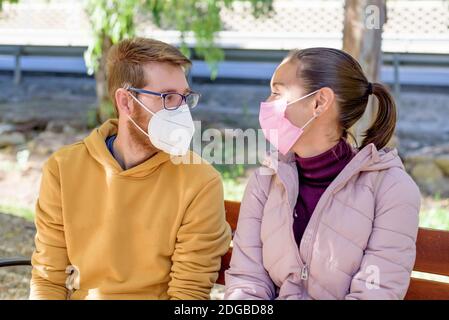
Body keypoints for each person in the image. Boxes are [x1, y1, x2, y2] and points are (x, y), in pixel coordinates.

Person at [30, 37, 231, 300]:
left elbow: (188, 295)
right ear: (126, 102)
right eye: (168, 97)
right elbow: (48, 279)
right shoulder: (63, 169)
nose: (181, 111)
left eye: (184, 98)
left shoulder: (200, 181)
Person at [225, 47, 420, 300]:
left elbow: (375, 294)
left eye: (277, 92)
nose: (267, 103)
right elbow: (247, 281)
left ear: (319, 102)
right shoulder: (265, 181)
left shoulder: (391, 189)